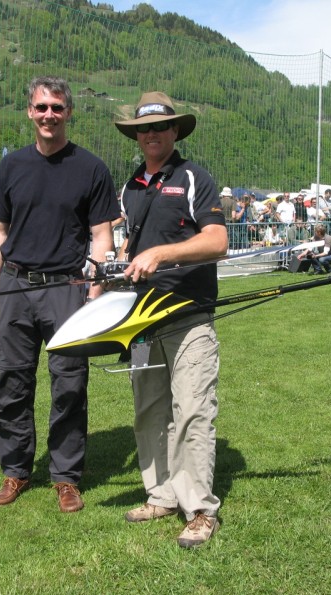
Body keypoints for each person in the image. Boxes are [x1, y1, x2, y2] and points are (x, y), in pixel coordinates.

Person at [0, 76, 118, 513]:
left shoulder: (91, 168)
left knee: (70, 384)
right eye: (41, 107)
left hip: (66, 289)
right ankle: (15, 470)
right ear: (30, 112)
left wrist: (95, 291)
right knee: (12, 382)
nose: (49, 115)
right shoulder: (12, 166)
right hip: (15, 287)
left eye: (57, 107)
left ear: (68, 112)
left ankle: (66, 477)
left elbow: (102, 235)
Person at [114, 91, 228, 548]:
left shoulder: (194, 177)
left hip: (188, 317)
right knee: (148, 410)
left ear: (175, 130)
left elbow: (217, 241)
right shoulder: (130, 187)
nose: (151, 134)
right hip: (141, 322)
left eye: (160, 126)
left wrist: (162, 254)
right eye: (143, 128)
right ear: (136, 136)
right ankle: (160, 495)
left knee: (193, 410)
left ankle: (200, 510)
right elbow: (132, 245)